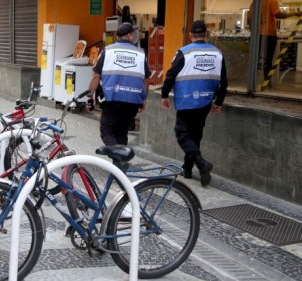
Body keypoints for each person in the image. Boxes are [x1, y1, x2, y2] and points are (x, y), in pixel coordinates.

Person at [160, 20, 228, 187]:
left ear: (190, 35)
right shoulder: (217, 54)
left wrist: (164, 95)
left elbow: (170, 75)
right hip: (205, 101)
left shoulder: (184, 53)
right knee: (195, 135)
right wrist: (219, 101)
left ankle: (201, 163)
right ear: (206, 34)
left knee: (182, 133)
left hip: (187, 100)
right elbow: (224, 81)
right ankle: (187, 169)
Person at [87, 22, 150, 149]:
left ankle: (119, 159)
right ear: (129, 36)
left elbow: (96, 76)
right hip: (131, 101)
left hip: (112, 100)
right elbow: (146, 79)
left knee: (106, 131)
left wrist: (90, 96)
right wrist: (143, 98)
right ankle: (120, 165)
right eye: (133, 33)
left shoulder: (107, 51)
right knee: (122, 132)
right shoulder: (140, 54)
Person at [249, 0, 302, 84]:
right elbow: (278, 14)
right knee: (268, 60)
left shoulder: (255, 2)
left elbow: (249, 18)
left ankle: (253, 83)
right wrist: (294, 13)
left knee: (255, 59)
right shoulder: (272, 0)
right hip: (269, 34)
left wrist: (253, 33)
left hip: (257, 35)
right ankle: (266, 83)